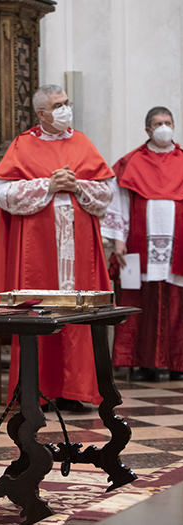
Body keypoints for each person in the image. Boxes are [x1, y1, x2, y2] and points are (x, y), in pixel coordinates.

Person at [0, 84, 114, 412]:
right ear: (41, 113)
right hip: (37, 251)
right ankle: (37, 388)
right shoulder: (23, 145)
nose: (65, 109)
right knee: (39, 310)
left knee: (78, 311)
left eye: (67, 102)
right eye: (58, 105)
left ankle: (77, 389)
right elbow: (4, 192)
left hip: (79, 248)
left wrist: (78, 185)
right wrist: (49, 184)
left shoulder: (83, 142)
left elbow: (106, 191)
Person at [101, 107, 183, 382]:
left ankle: (176, 363)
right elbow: (118, 204)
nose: (164, 128)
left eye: (168, 123)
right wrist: (119, 242)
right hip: (135, 248)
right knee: (136, 300)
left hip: (178, 248)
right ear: (147, 130)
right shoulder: (131, 162)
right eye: (158, 123)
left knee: (177, 303)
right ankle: (138, 361)